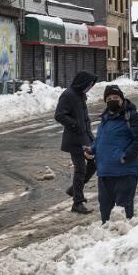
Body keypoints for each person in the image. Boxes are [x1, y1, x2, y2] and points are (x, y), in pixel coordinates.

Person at [89, 85, 138, 223]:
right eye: (109, 98)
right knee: (106, 216)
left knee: (123, 217)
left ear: (122, 99)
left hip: (124, 173)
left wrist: (126, 155)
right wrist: (92, 149)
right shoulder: (105, 118)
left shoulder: (131, 116)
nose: (112, 100)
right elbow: (100, 140)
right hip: (104, 174)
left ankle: (126, 242)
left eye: (116, 98)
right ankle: (109, 244)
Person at [55, 70, 98, 214]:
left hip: (85, 137)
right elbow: (59, 115)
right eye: (89, 84)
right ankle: (77, 203)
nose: (90, 87)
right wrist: (75, 124)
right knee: (80, 169)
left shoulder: (80, 94)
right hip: (74, 140)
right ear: (82, 82)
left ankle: (74, 190)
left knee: (94, 163)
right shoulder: (68, 95)